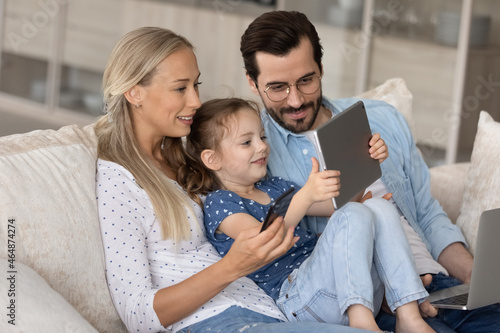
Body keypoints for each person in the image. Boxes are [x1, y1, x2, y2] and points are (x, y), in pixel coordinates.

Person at [94, 26, 372, 333]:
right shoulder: (118, 183)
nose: (196, 101)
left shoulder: (188, 161)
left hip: (272, 310)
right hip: (219, 323)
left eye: (196, 85)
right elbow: (137, 315)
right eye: (180, 88)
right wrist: (231, 267)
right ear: (134, 92)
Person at [239, 10, 500, 333]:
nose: (295, 100)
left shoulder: (382, 119)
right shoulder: (254, 153)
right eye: (277, 87)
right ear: (252, 83)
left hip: (439, 284)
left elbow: (428, 214)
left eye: (306, 80)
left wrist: (473, 275)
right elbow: (282, 247)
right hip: (371, 300)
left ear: (321, 68)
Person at [180, 97, 434, 332]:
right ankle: (361, 323)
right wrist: (306, 196)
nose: (261, 147)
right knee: (356, 212)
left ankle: (408, 316)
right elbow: (261, 241)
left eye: (263, 137)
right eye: (247, 142)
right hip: (301, 300)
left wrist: (367, 159)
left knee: (379, 206)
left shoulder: (274, 186)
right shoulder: (221, 203)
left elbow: (340, 204)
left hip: (347, 286)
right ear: (212, 159)